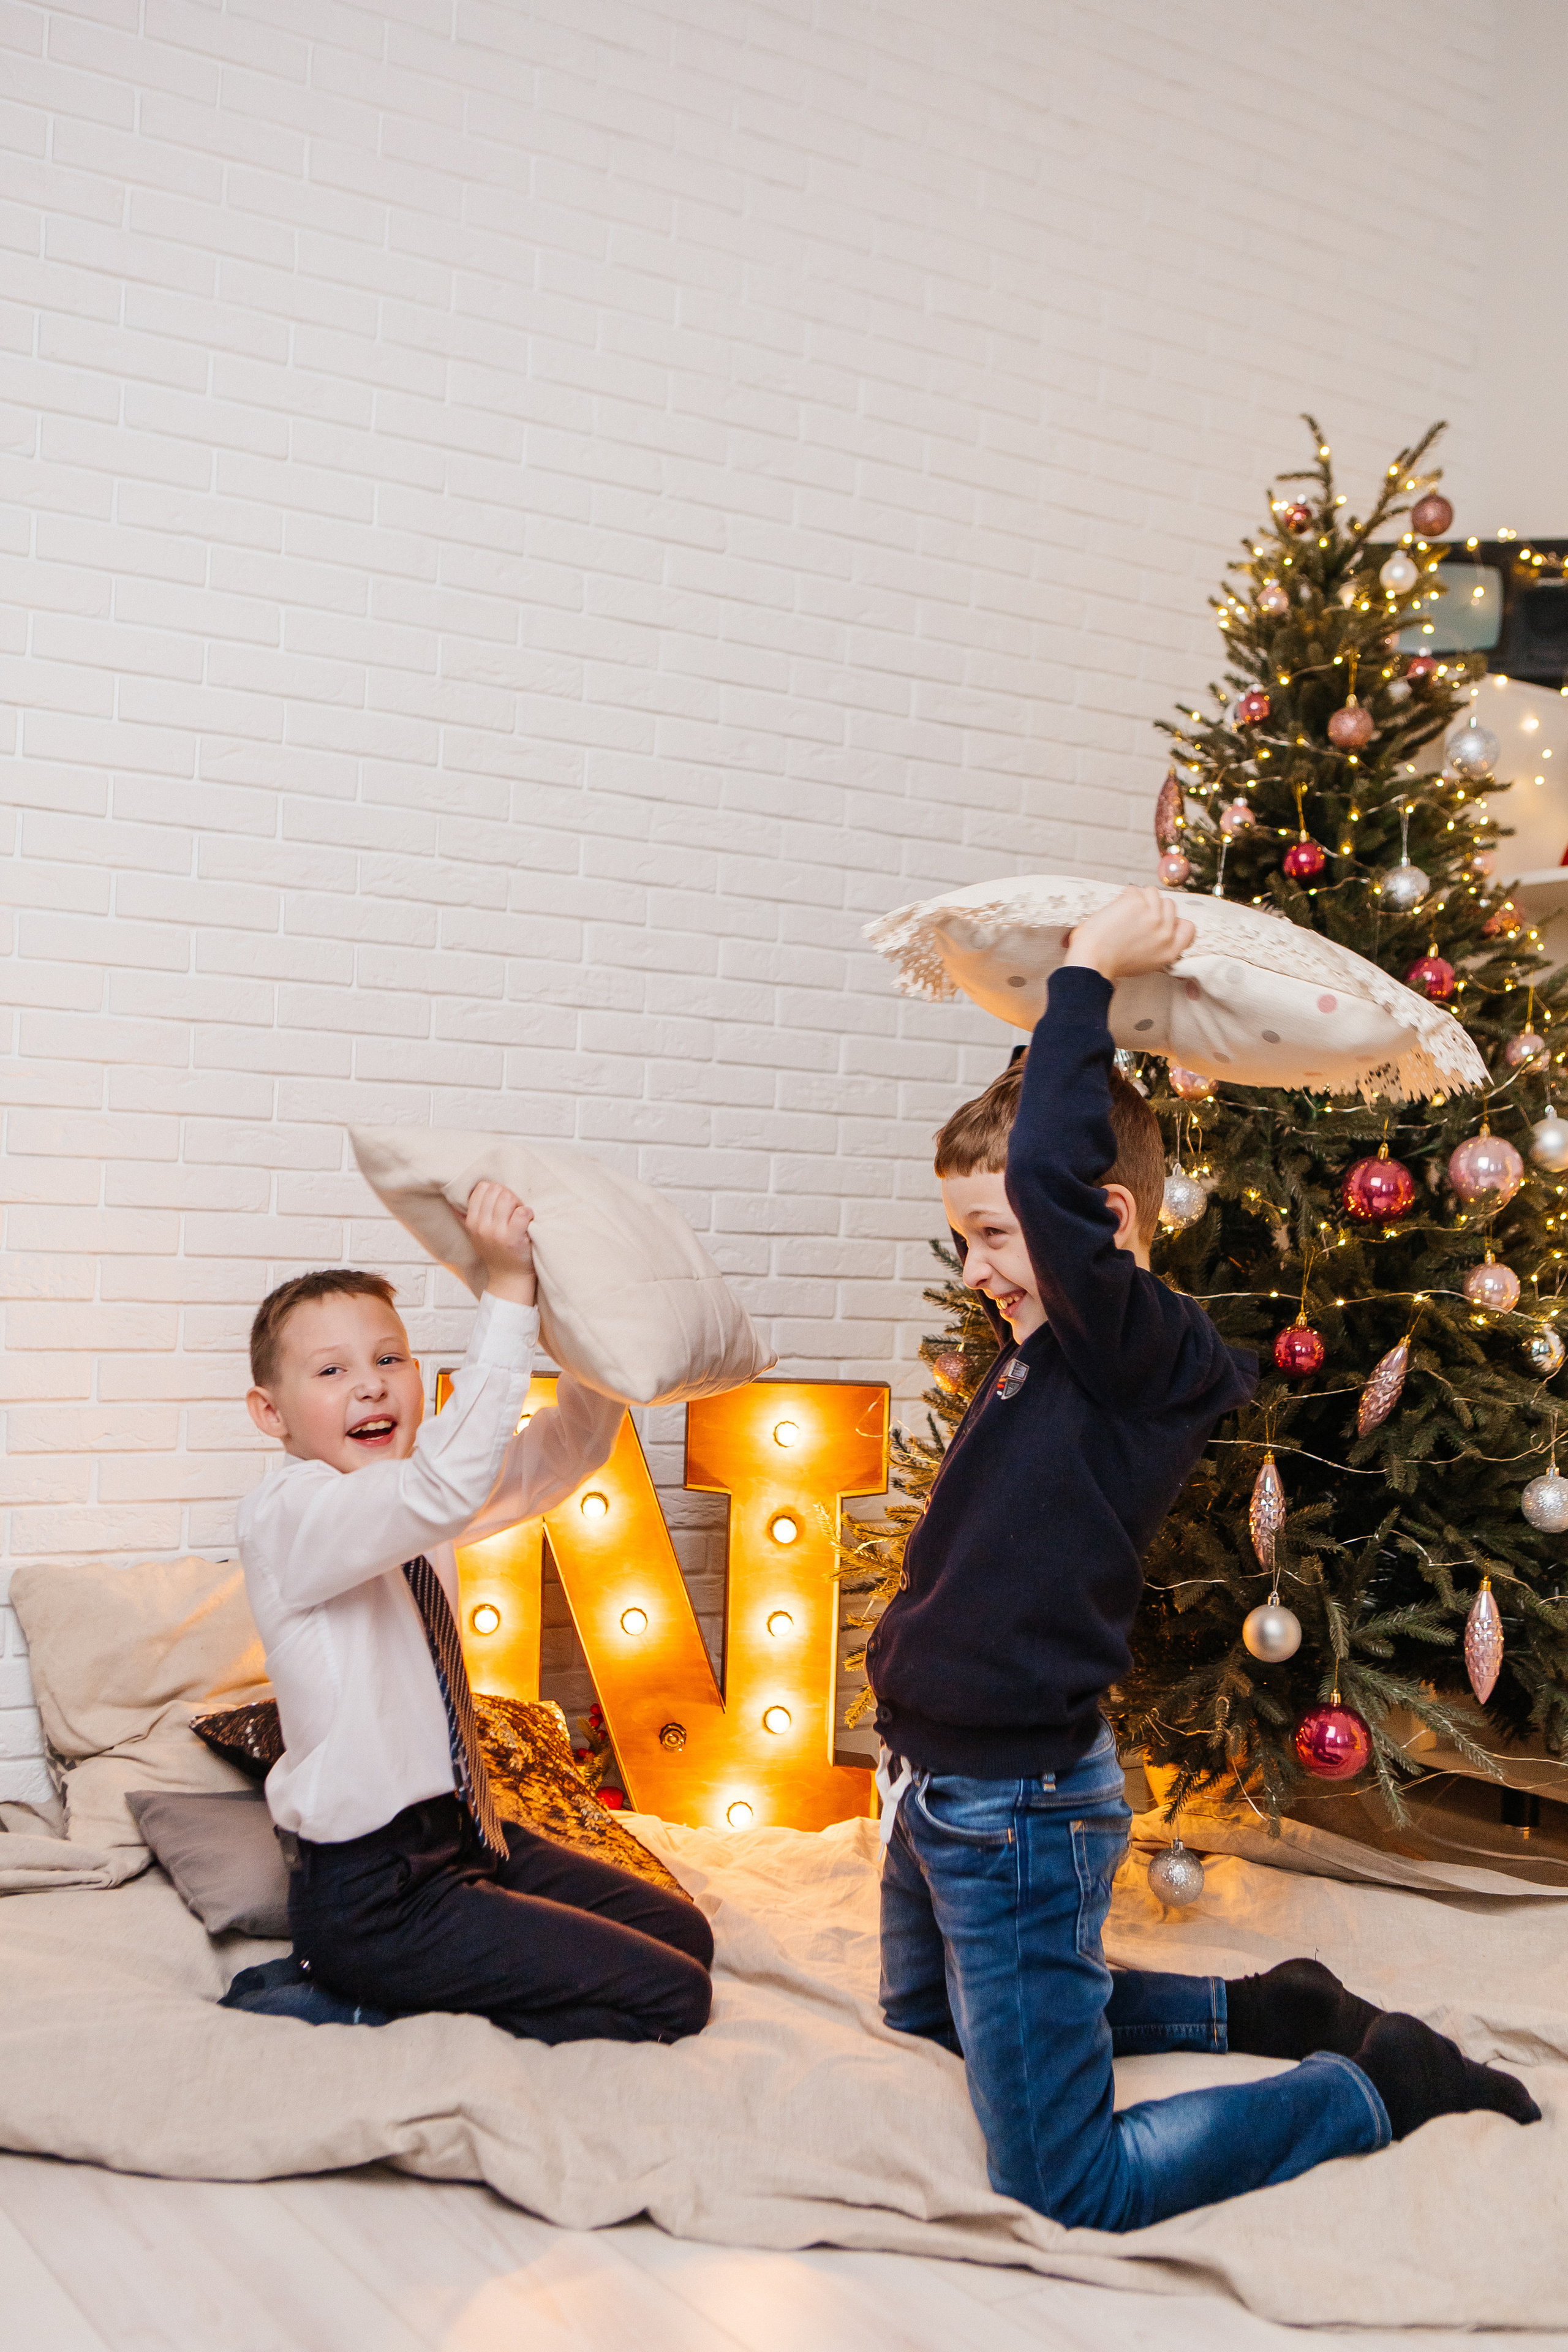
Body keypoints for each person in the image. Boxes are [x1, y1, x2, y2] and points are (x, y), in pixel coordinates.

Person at [865, 886, 1538, 2232]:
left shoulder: (1136, 1353)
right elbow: (1046, 1159)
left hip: (1012, 1800)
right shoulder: (1049, 1345)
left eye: (994, 1235)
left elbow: (1056, 1178)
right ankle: (1263, 2007)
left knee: (1063, 2180)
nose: (977, 1267)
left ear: (1101, 1222)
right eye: (962, 1237)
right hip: (933, 1780)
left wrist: (1085, 982)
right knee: (922, 2014)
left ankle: (1369, 2088)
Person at [237, 1179, 714, 2046]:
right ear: (271, 1414)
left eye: (390, 1360)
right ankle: (355, 1994)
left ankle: (455, 1952)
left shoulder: (413, 1498)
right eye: (332, 1371)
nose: (372, 1389)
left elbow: (562, 1456)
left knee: (687, 1936)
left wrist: (591, 1338)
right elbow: (441, 1486)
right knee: (673, 1997)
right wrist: (507, 1290)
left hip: (463, 1838)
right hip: (373, 1892)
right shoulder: (294, 1514)